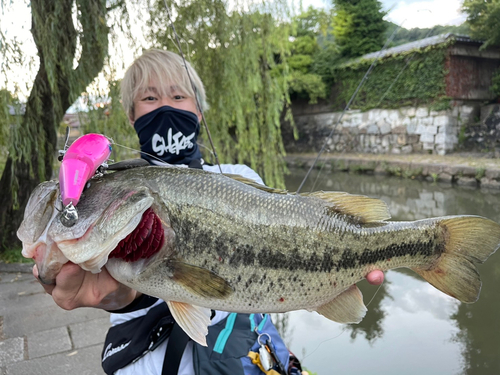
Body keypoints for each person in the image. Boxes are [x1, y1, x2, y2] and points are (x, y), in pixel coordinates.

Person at [34, 49, 385, 375]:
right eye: (150, 97)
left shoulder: (241, 179)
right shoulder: (109, 192)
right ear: (131, 115)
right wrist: (115, 293)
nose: (165, 106)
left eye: (178, 95)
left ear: (198, 110)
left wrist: (331, 265)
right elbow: (119, 290)